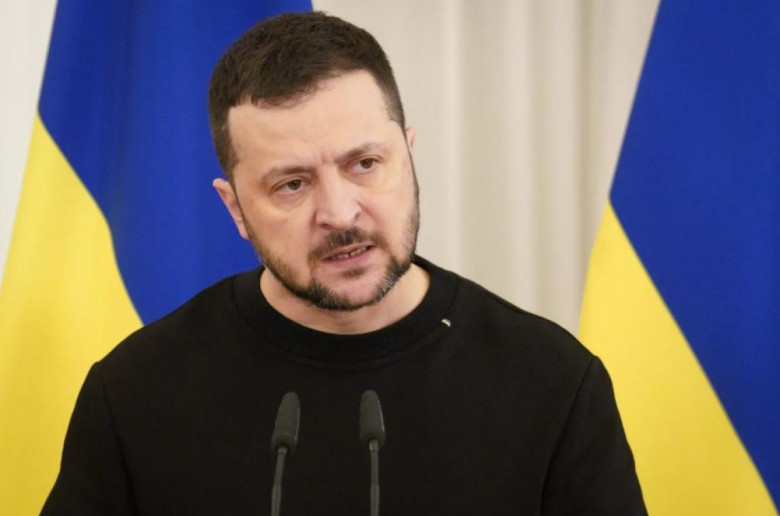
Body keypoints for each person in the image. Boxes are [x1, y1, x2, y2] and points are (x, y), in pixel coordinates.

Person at [43, 11, 646, 515]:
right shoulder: (135, 394)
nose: (338, 212)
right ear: (235, 209)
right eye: (291, 184)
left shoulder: (552, 383)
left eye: (364, 164)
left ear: (408, 157)